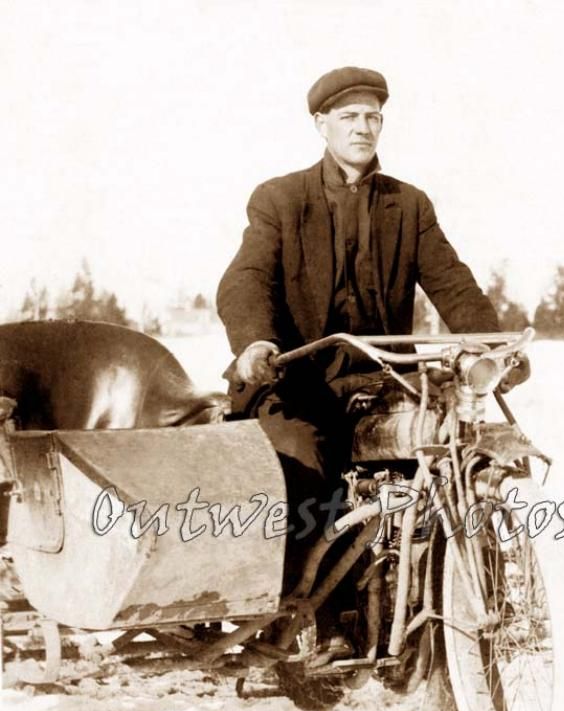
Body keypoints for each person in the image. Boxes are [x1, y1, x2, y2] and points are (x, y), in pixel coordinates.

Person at [217, 66, 528, 653]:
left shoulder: (407, 205)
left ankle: (485, 593)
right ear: (321, 125)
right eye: (349, 117)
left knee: (461, 447)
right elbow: (247, 278)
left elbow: (453, 282)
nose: (363, 128)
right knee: (309, 467)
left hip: (381, 378)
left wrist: (488, 342)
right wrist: (255, 343)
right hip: (297, 381)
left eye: (373, 117)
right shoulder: (281, 199)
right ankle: (314, 622)